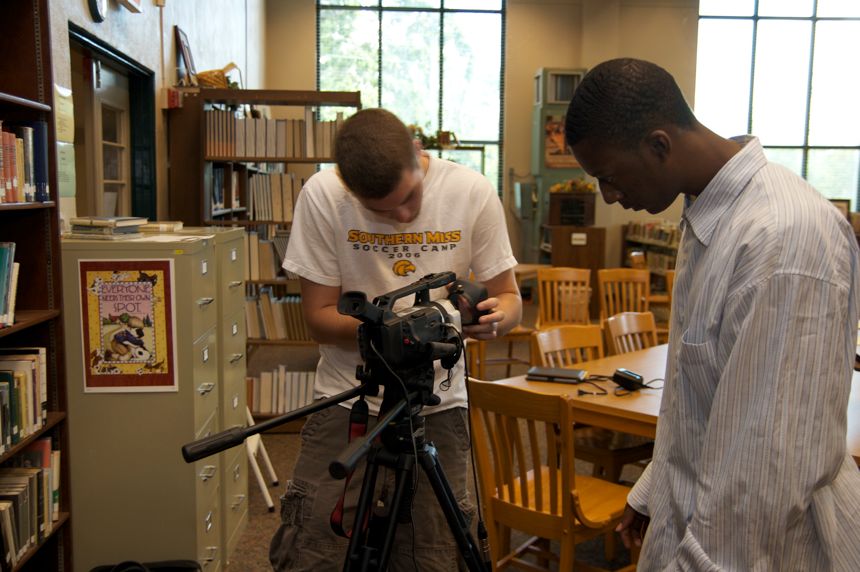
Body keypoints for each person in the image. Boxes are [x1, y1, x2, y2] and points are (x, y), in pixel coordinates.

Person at [565, 58, 860, 570]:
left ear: (659, 145)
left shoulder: (781, 238)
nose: (608, 196)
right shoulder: (708, 215)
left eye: (608, 177)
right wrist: (655, 489)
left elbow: (764, 474)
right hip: (697, 521)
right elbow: (697, 396)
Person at [270, 108, 522, 571]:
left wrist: (496, 318)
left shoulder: (471, 191)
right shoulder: (323, 195)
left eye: (410, 197)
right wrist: (393, 333)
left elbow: (509, 297)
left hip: (438, 403)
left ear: (418, 152)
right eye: (383, 211)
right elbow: (319, 318)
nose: (404, 215)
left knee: (433, 554)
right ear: (349, 188)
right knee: (316, 550)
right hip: (350, 398)